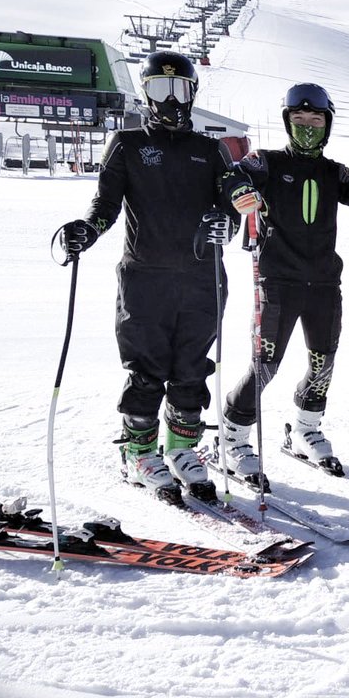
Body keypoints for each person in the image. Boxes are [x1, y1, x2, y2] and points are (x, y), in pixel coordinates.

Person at [56, 51, 261, 503]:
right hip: (145, 277)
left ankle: (182, 450)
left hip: (201, 278)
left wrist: (227, 222)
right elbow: (105, 204)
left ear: (192, 94)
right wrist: (87, 230)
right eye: (159, 89)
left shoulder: (211, 150)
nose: (171, 99)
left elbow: (230, 203)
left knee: (190, 370)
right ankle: (139, 453)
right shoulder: (127, 144)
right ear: (146, 94)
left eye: (180, 89)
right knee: (146, 370)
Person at [219, 83, 349, 478]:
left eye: (316, 119)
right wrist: (239, 190)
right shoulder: (267, 163)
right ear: (287, 121)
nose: (308, 126)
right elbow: (230, 177)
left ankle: (306, 429)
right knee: (265, 364)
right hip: (277, 282)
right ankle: (233, 435)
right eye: (299, 119)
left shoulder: (332, 171)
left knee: (323, 362)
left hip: (323, 284)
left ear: (327, 124)